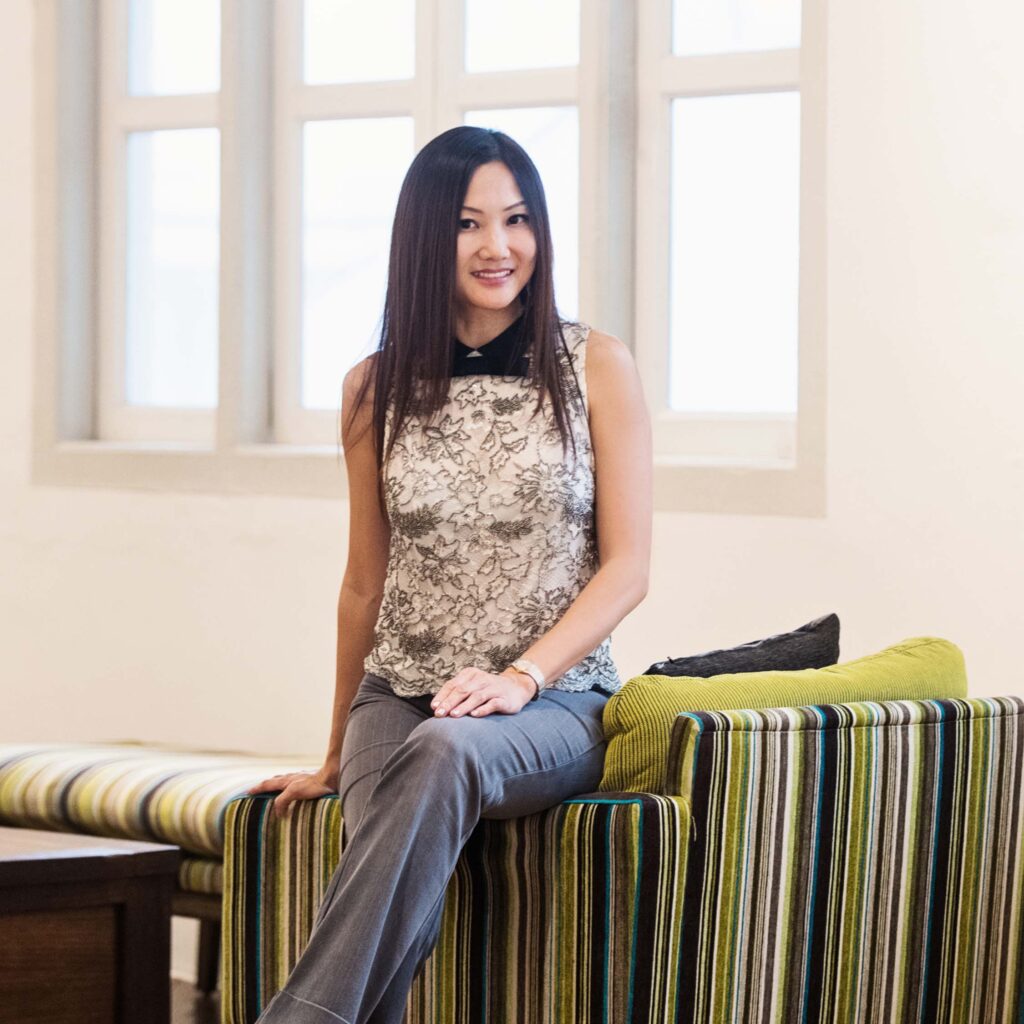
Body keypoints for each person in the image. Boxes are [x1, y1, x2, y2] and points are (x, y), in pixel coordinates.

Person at [246, 124, 652, 1024]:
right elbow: (364, 581)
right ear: (429, 237)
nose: (498, 247)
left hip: (556, 703)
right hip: (397, 695)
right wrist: (330, 752)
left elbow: (628, 569)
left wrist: (521, 678)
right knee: (399, 834)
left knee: (442, 752)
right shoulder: (372, 388)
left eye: (517, 221)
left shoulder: (594, 366)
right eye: (470, 224)